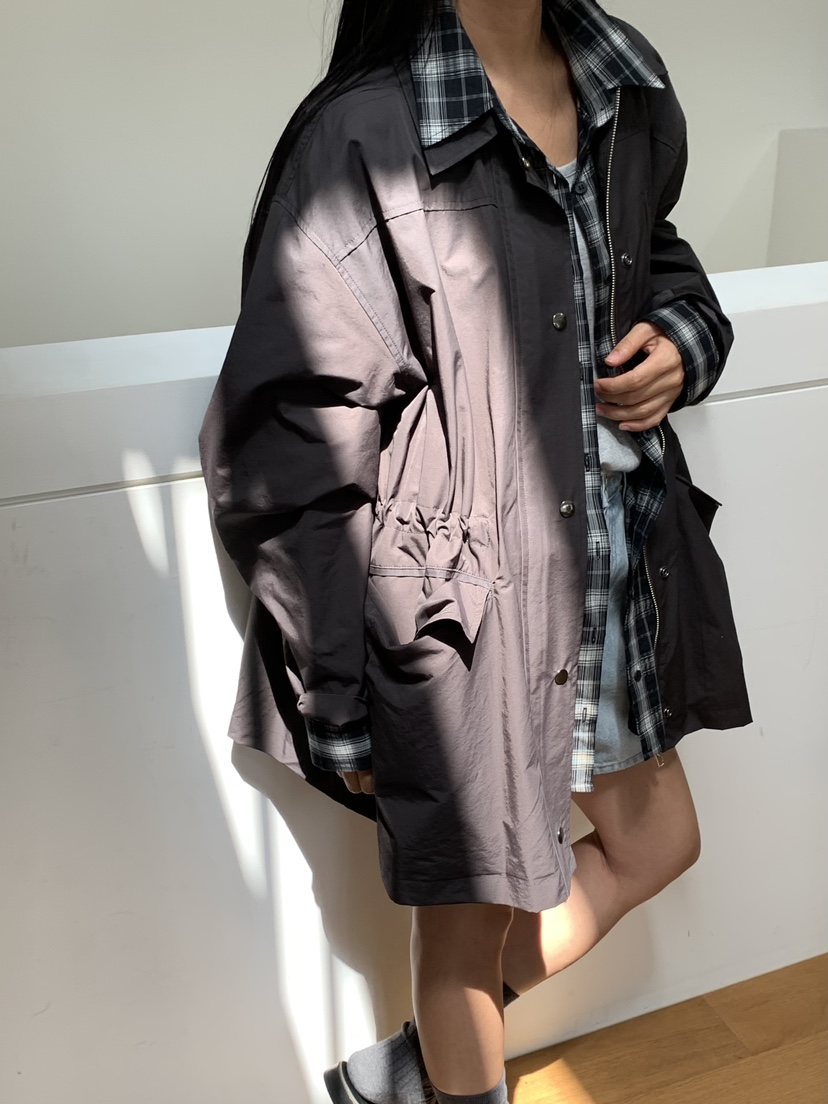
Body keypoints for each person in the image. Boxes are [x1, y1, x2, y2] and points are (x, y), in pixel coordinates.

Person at [199, 0, 752, 1101]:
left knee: (657, 843)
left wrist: (683, 340)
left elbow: (656, 257)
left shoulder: (623, 84)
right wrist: (338, 696)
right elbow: (289, 447)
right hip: (456, 612)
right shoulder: (366, 131)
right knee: (470, 916)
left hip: (609, 573)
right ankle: (455, 1075)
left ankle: (416, 1073)